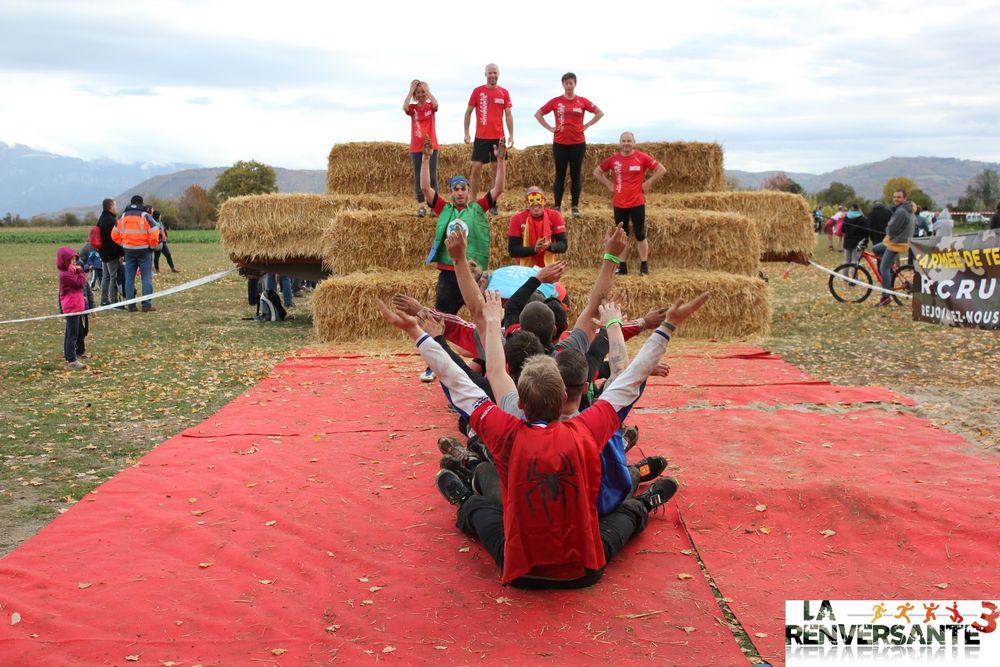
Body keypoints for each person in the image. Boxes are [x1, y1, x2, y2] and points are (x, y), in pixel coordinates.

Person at [377, 286, 707, 589]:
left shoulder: (505, 429)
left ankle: (465, 500)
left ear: (519, 403)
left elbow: (458, 381)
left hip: (523, 574)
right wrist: (667, 327)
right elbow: (628, 379)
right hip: (584, 572)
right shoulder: (586, 429)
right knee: (626, 515)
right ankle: (644, 505)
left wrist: (419, 333)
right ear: (564, 394)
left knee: (478, 508)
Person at [592, 132, 666, 275]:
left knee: (639, 234)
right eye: (623, 140)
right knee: (622, 235)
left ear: (634, 142)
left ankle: (644, 266)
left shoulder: (642, 157)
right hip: (619, 203)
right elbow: (597, 172)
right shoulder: (614, 160)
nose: (626, 143)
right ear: (620, 143)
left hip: (637, 202)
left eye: (629, 140)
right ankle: (623, 267)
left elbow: (661, 170)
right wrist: (608, 183)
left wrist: (649, 182)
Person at [534, 72, 603, 217]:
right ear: (563, 85)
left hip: (578, 143)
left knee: (575, 174)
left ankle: (575, 206)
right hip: (560, 143)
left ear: (575, 84)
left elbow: (599, 112)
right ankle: (557, 206)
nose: (569, 85)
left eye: (571, 83)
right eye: (566, 83)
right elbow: (538, 114)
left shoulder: (582, 101)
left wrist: (587, 125)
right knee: (560, 174)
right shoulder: (556, 101)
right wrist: (550, 128)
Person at [463, 63, 513, 211]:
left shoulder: (504, 92)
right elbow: (468, 112)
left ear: (498, 74)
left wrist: (511, 135)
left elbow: (509, 114)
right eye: (490, 73)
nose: (492, 75)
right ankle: (472, 202)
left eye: (495, 73)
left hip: (498, 138)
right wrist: (466, 132)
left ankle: (492, 203)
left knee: (495, 169)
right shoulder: (478, 91)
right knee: (476, 168)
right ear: (485, 74)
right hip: (481, 137)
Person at [111, 195, 159, 312]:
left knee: (129, 279)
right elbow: (155, 231)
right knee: (146, 277)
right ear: (141, 204)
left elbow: (114, 235)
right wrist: (152, 246)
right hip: (144, 251)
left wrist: (124, 244)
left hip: (129, 251)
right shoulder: (145, 216)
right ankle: (146, 305)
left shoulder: (122, 217)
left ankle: (131, 305)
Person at [871, 189, 916, 307]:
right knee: (876, 249)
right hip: (898, 240)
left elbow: (891, 229)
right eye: (894, 197)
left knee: (883, 268)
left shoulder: (901, 211)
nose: (896, 199)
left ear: (904, 199)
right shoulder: (908, 209)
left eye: (899, 197)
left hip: (897, 243)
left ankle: (886, 296)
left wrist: (889, 230)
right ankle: (891, 269)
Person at [403, 79, 439, 217]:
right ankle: (421, 206)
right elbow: (404, 107)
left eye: (422, 92)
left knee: (432, 177)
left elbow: (436, 104)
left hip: (432, 146)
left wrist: (428, 91)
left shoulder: (430, 107)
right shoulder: (413, 109)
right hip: (417, 148)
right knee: (419, 176)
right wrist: (410, 91)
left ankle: (434, 206)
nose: (421, 95)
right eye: (418, 92)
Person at [507, 187, 568, 268]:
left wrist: (549, 246)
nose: (535, 203)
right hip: (524, 268)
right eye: (531, 200)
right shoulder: (517, 218)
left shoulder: (555, 216)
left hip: (548, 267)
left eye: (539, 199)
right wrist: (534, 250)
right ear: (526, 203)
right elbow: (512, 250)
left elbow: (563, 245)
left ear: (544, 201)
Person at [57, 246, 88, 369]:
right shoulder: (65, 275)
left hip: (75, 305)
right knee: (73, 334)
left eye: (75, 260)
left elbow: (76, 289)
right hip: (72, 307)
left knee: (70, 332)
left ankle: (68, 356)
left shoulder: (71, 272)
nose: (75, 263)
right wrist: (81, 272)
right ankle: (71, 359)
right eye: (72, 260)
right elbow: (80, 283)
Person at [96, 198, 124, 307]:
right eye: (115, 205)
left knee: (106, 276)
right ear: (111, 207)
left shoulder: (101, 219)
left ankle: (104, 300)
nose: (116, 207)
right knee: (114, 276)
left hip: (103, 252)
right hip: (111, 253)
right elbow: (114, 240)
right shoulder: (111, 221)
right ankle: (114, 301)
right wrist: (121, 253)